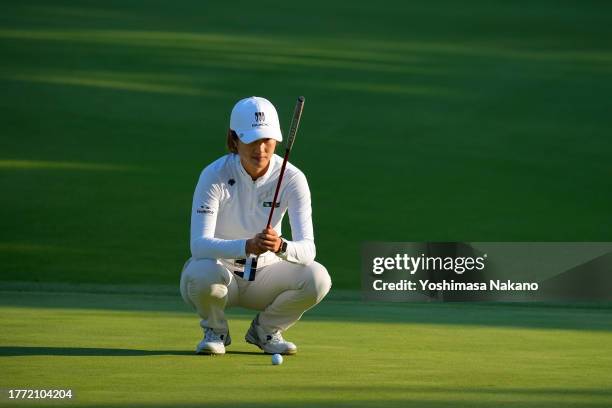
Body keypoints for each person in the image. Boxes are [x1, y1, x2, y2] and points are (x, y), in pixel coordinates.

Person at [179, 96, 332, 355]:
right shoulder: (214, 175)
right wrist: (246, 245)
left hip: (266, 276)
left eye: (267, 140)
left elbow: (308, 250)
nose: (260, 149)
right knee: (200, 273)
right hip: (222, 277)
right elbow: (198, 246)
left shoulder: (293, 178)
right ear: (234, 140)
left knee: (318, 278)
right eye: (251, 140)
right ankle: (215, 331)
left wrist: (281, 246)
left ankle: (266, 330)